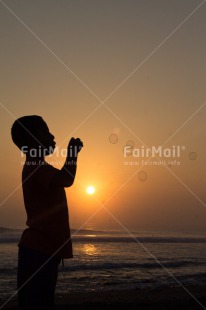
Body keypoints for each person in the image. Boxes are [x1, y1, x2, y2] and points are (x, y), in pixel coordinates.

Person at [11, 115, 83, 310]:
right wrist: (72, 154)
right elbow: (66, 179)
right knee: (38, 303)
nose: (52, 136)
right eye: (45, 131)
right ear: (31, 140)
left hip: (43, 249)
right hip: (39, 249)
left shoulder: (38, 167)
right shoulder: (36, 167)